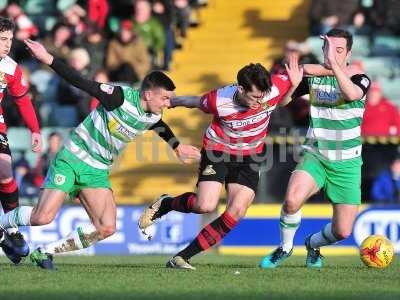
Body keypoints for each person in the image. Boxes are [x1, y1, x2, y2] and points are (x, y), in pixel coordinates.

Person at [0, 38, 201, 270]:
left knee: (106, 227)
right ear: (148, 95)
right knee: (41, 218)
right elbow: (82, 82)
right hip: (73, 158)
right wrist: (48, 59)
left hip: (97, 169)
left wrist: (176, 146)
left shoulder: (153, 114)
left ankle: (44, 252)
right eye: (165, 98)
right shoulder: (119, 97)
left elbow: (159, 125)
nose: (169, 103)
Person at [138, 56, 304, 270]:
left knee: (236, 211)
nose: (259, 102)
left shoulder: (272, 87)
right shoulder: (220, 99)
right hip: (218, 151)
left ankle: (182, 257)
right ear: (241, 89)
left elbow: (287, 91)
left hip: (250, 156)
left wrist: (332, 68)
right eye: (254, 97)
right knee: (205, 205)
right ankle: (166, 203)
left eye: (262, 97)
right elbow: (195, 102)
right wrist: (173, 102)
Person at [259, 28, 371, 269]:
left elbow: (352, 94)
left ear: (348, 52)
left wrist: (331, 65)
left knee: (342, 231)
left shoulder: (359, 76)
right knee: (291, 201)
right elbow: (284, 102)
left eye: (339, 50)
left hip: (347, 164)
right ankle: (285, 247)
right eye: (328, 49)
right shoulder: (313, 77)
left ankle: (313, 244)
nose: (332, 54)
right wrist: (294, 86)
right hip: (316, 154)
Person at [0, 18, 42, 265]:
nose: (7, 45)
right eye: (2, 39)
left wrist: (35, 130)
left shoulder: (11, 68)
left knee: (5, 172)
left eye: (9, 40)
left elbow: (23, 101)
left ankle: (12, 229)